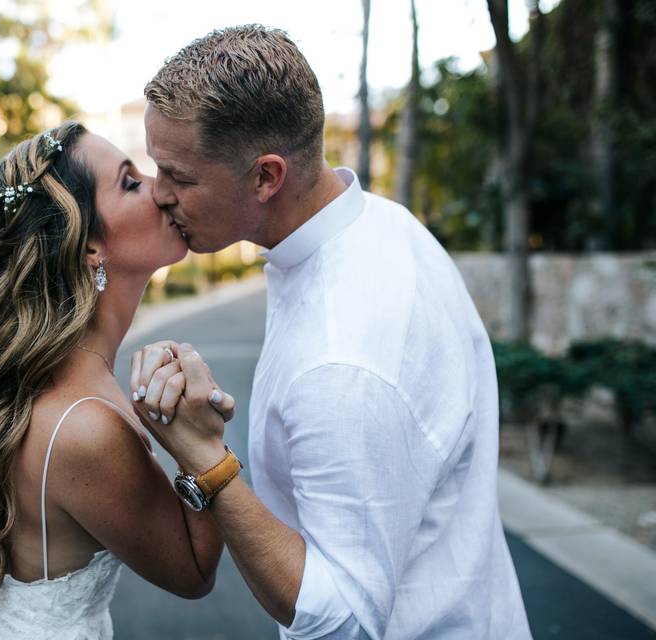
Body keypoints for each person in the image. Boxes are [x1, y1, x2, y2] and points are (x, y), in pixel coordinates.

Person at [130, 25, 533, 639]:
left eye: (179, 176)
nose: (159, 194)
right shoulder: (383, 223)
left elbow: (341, 621)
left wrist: (205, 458)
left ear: (266, 177)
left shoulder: (340, 366)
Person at [0, 121, 227, 639]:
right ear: (87, 247)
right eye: (130, 182)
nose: (160, 189)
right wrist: (202, 447)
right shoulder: (86, 429)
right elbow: (192, 572)